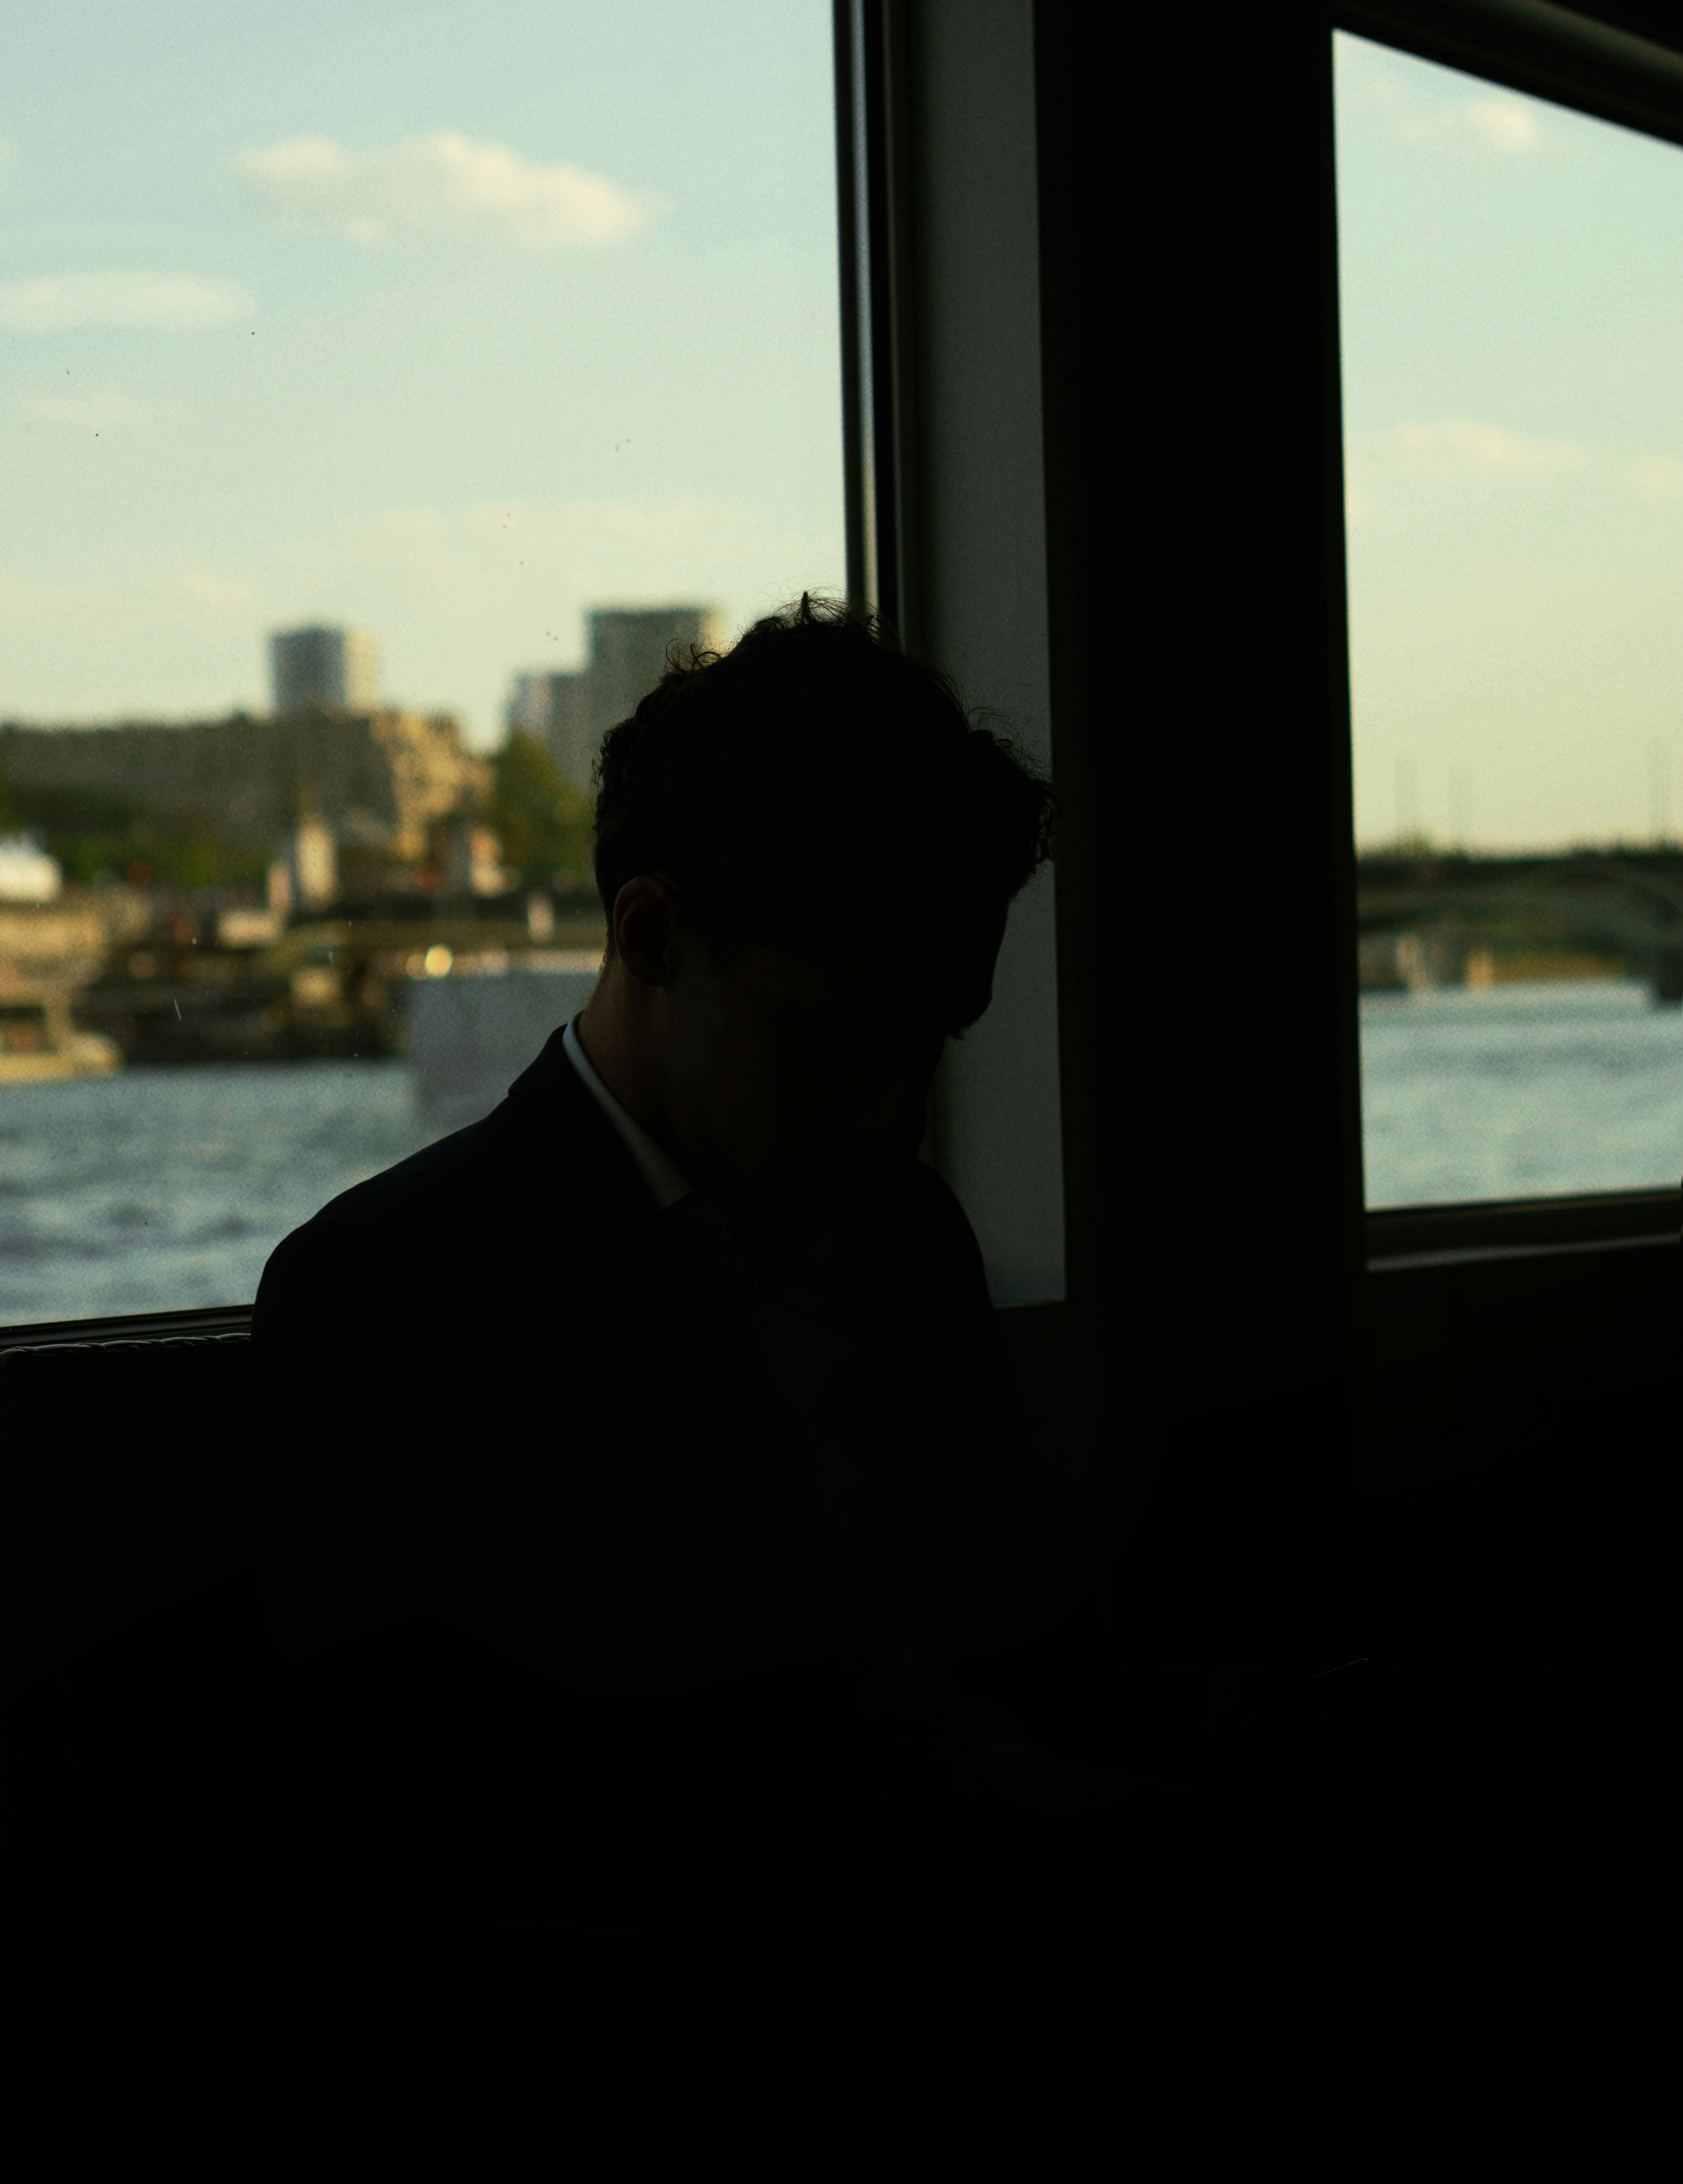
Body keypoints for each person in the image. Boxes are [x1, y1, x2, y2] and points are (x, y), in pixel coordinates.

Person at [243, 594, 1188, 1969]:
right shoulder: (399, 1294)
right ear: (651, 937)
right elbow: (402, 1844)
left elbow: (1039, 1661)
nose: (898, 1113)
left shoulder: (898, 1234)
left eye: (932, 1040)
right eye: (838, 1042)